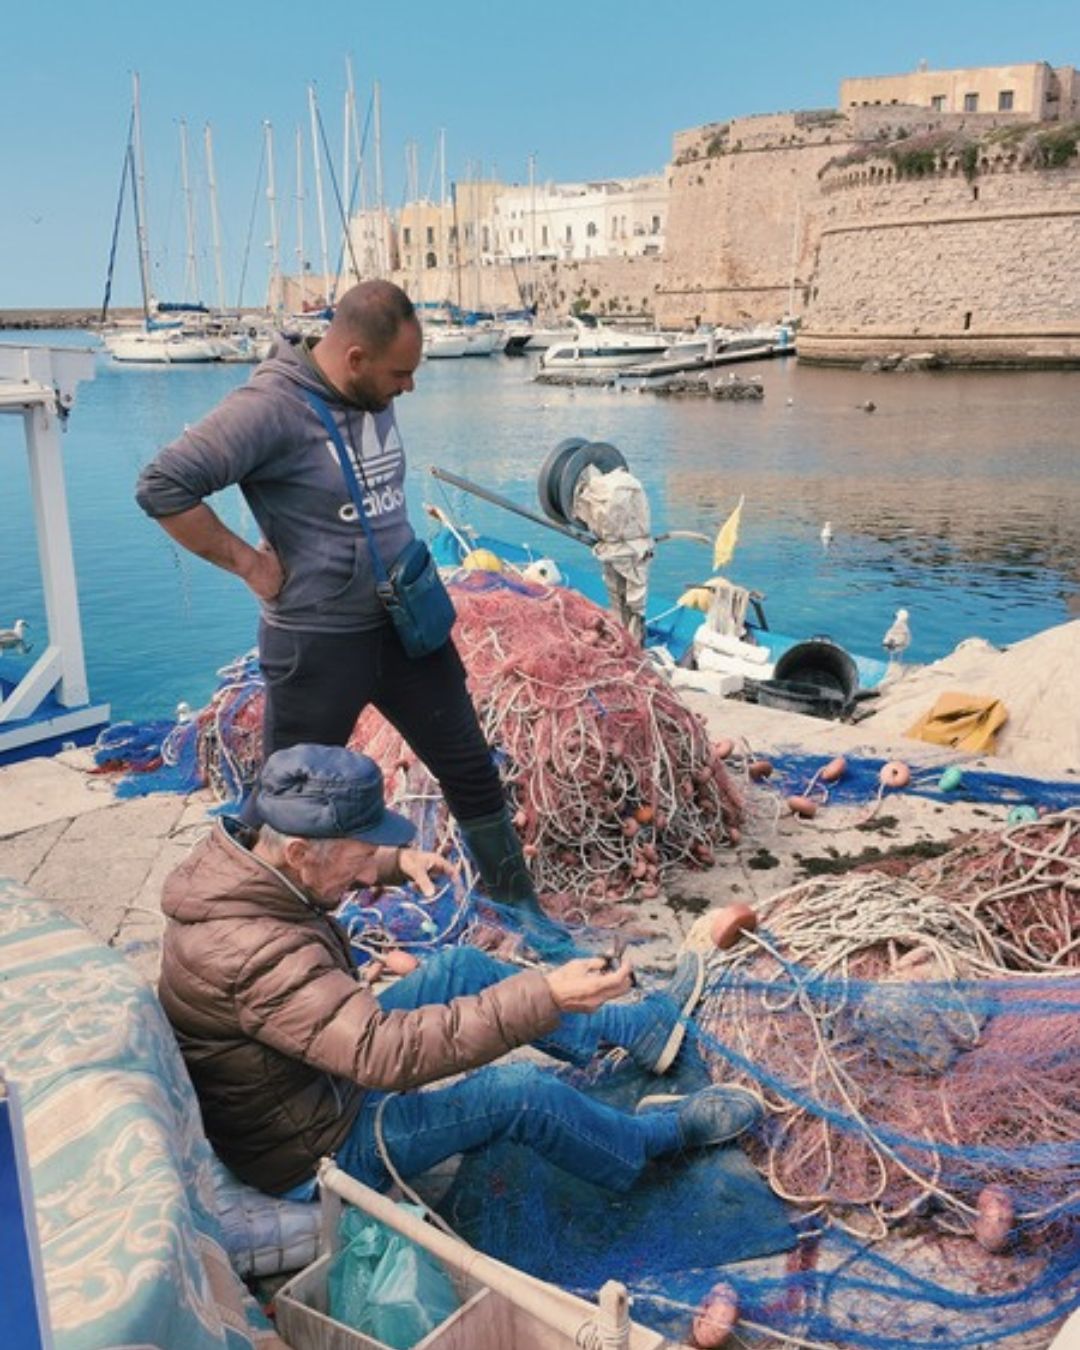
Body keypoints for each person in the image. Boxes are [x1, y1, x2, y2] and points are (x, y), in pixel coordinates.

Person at [135, 280, 560, 951]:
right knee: (285, 804)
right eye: (400, 375)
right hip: (318, 642)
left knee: (469, 765)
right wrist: (249, 564)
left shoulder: (369, 387)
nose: (409, 389)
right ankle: (238, 927)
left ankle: (518, 908)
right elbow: (161, 486)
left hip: (406, 625)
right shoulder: (269, 409)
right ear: (355, 358)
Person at [157, 744, 761, 1200]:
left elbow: (319, 863)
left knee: (463, 967)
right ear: (296, 852)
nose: (366, 877)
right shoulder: (253, 951)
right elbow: (381, 1054)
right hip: (318, 1149)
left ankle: (638, 1034)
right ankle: (648, 1144)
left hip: (314, 1082)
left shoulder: (242, 865)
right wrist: (543, 995)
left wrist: (393, 862)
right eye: (361, 858)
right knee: (518, 1093)